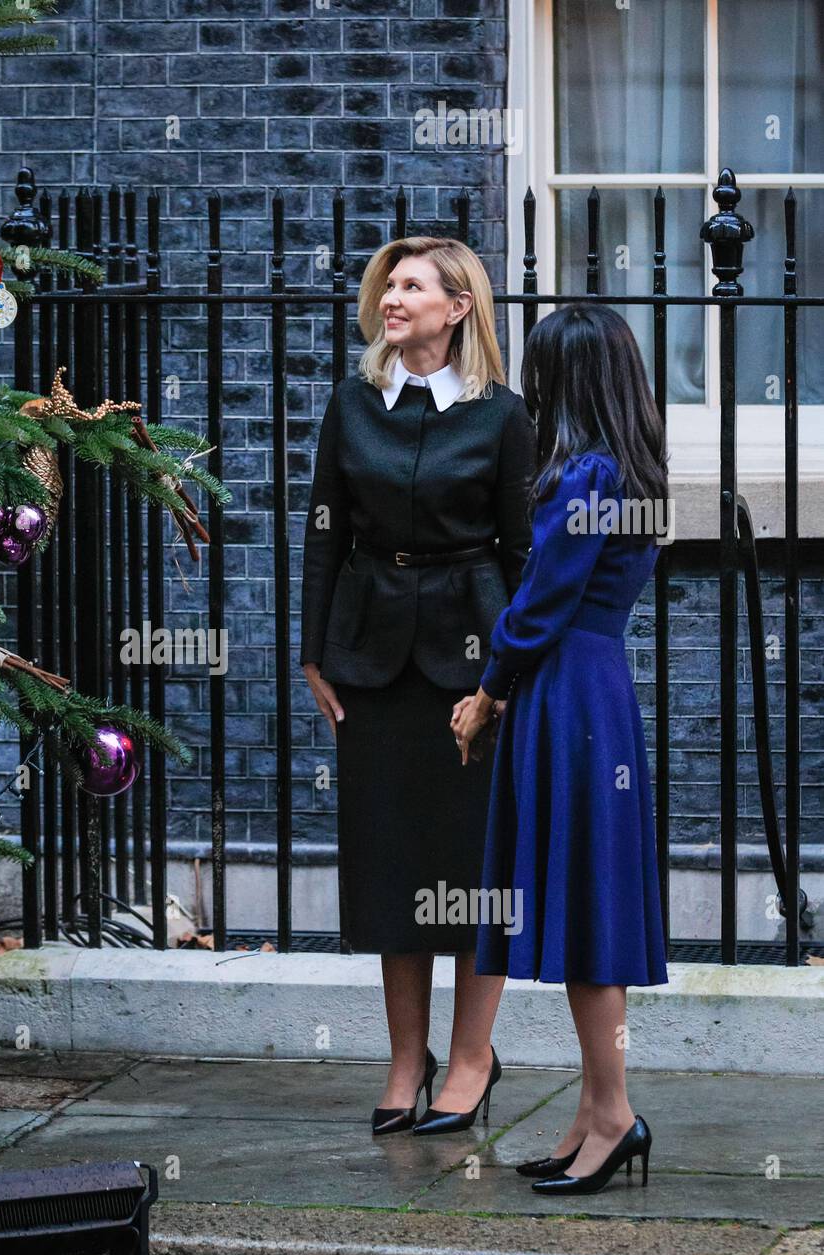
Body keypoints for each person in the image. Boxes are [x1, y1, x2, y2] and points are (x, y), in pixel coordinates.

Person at [300, 236, 534, 1136]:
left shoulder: (501, 415)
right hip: (369, 654)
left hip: (469, 660)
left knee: (472, 868)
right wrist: (313, 653)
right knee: (393, 862)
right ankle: (408, 1059)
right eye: (387, 286)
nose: (391, 299)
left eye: (411, 287)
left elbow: (523, 551)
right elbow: (324, 530)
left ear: (459, 307)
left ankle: (473, 1058)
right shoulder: (352, 405)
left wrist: (510, 675)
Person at [451, 303, 670, 1194]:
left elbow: (538, 605)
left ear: (563, 379)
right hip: (597, 689)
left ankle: (613, 1114)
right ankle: (592, 1112)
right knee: (590, 910)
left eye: (538, 373)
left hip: (566, 694)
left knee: (586, 918)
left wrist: (487, 691)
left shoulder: (583, 475)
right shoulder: (632, 470)